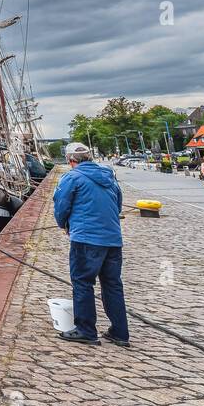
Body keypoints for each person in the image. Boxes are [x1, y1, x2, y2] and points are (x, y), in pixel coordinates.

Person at [52, 141, 128, 346]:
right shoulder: (109, 177)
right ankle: (120, 332)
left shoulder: (72, 177)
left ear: (70, 160)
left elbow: (61, 205)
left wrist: (64, 224)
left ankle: (86, 330)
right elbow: (118, 203)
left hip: (86, 238)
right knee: (112, 284)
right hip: (113, 238)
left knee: (83, 282)